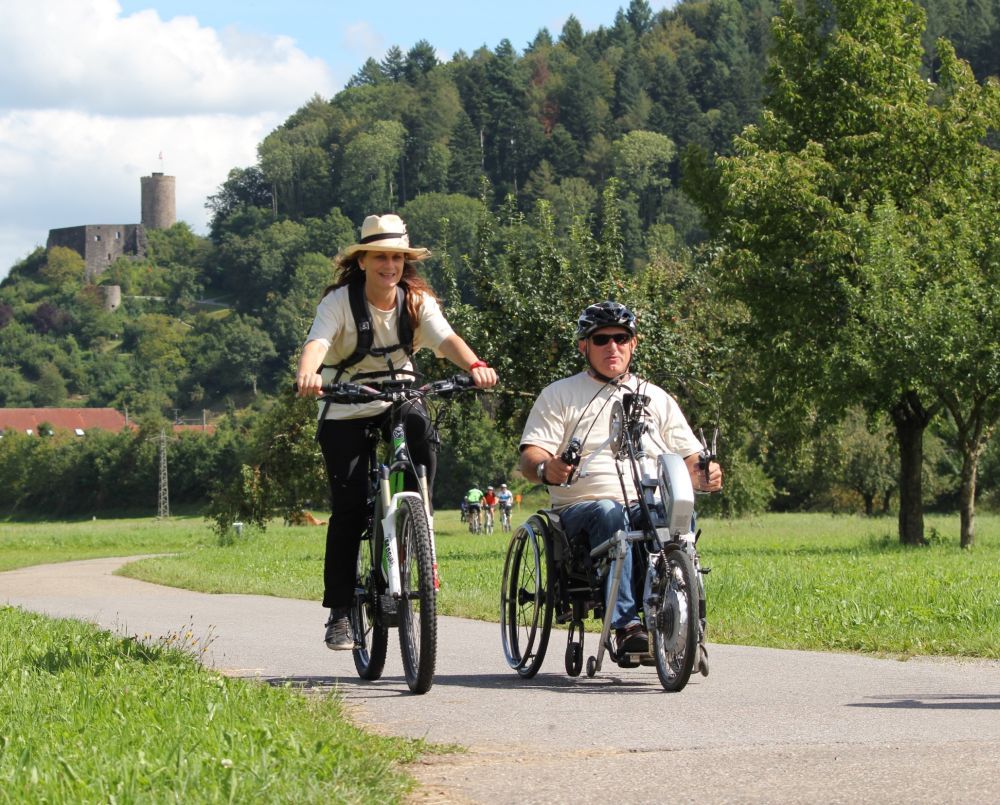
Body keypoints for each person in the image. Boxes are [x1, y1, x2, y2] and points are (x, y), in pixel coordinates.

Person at [296, 213, 497, 650]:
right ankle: (341, 611)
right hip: (345, 405)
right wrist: (308, 374)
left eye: (398, 258)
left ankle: (413, 521)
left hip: (399, 396)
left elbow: (445, 340)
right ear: (363, 260)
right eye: (382, 257)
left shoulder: (415, 301)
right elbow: (317, 343)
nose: (391, 265)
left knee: (421, 434)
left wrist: (476, 366)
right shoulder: (338, 303)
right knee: (348, 507)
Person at [518, 301, 722, 656]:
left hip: (646, 499)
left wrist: (704, 474)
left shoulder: (656, 397)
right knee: (611, 513)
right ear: (584, 345)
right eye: (601, 339)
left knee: (675, 514)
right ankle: (626, 627)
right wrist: (545, 468)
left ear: (633, 343)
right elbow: (530, 456)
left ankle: (682, 618)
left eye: (621, 338)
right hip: (582, 509)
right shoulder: (560, 395)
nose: (612, 347)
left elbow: (690, 459)